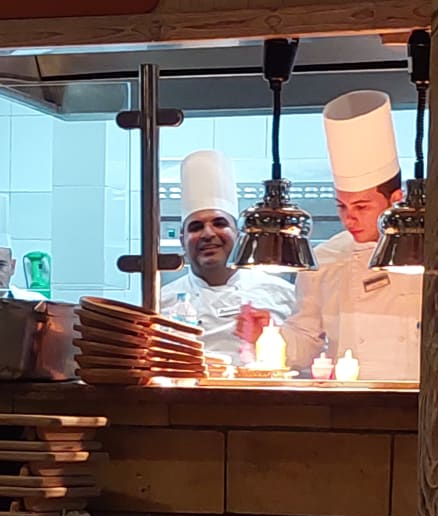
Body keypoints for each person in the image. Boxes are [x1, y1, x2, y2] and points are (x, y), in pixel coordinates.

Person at [281, 90, 423, 381]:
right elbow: (305, 341)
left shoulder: (427, 252)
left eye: (361, 206)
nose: (349, 218)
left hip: (422, 400)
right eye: (341, 206)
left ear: (396, 199)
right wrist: (267, 335)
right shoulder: (326, 258)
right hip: (351, 401)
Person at [161, 150, 295, 363]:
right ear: (182, 240)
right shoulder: (161, 303)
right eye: (196, 227)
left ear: (239, 234)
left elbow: (311, 362)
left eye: (219, 223)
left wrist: (272, 339)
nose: (208, 234)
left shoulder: (284, 295)